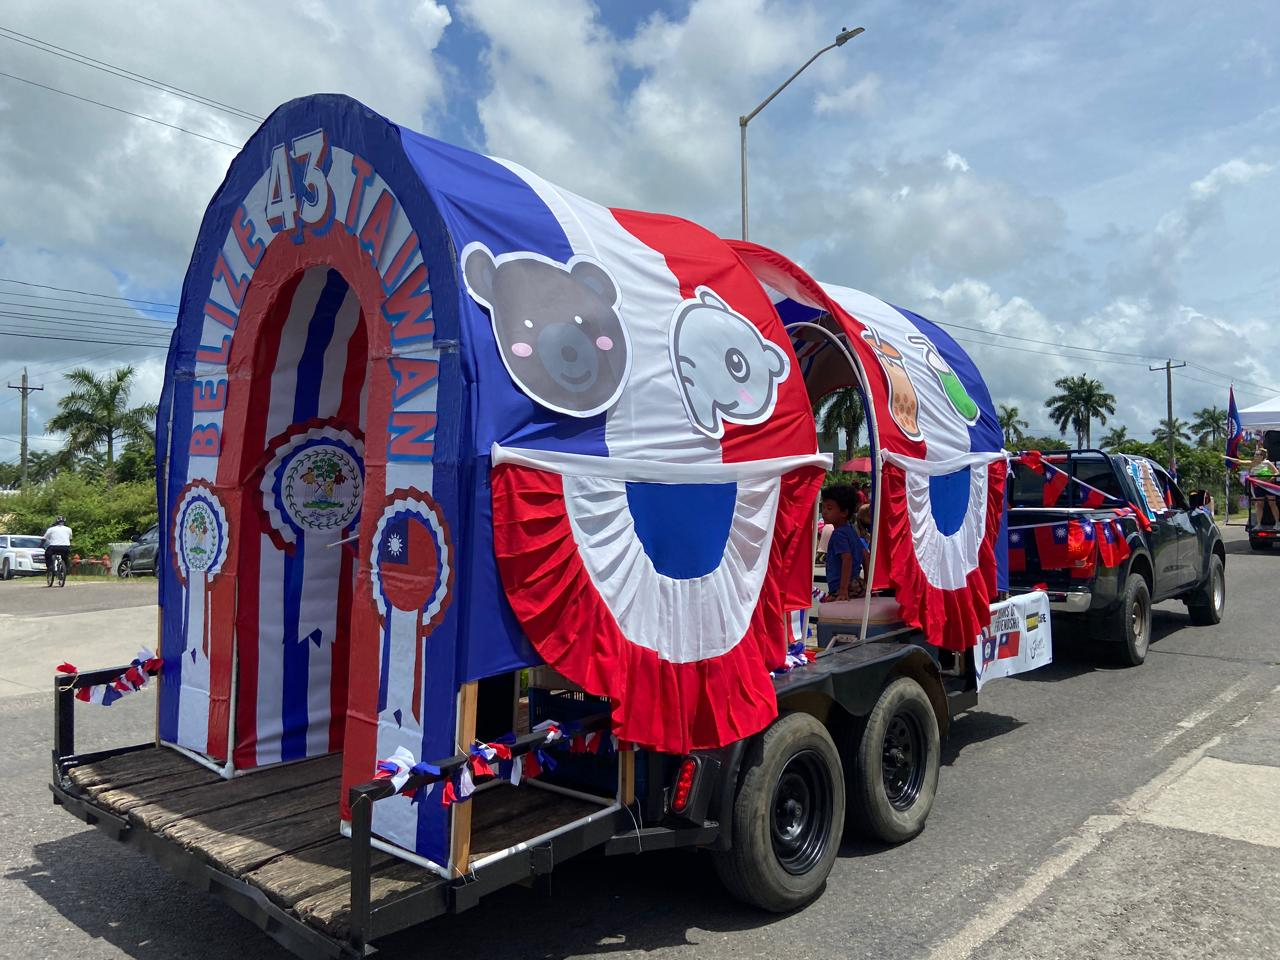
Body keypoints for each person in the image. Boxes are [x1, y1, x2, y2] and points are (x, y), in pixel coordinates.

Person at [820, 485, 867, 602]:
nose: (824, 512)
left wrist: (843, 589)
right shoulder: (851, 531)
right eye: (823, 507)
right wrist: (868, 582)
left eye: (829, 508)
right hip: (857, 583)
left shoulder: (838, 535)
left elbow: (847, 559)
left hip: (843, 587)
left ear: (844, 512)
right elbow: (866, 555)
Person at [42, 515, 72, 585]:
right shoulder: (69, 529)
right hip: (65, 547)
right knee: (65, 558)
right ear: (64, 522)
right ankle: (64, 569)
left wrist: (41, 545)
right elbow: (70, 538)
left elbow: (44, 539)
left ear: (56, 522)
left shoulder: (51, 529)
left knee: (47, 554)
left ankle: (50, 567)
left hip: (54, 547)